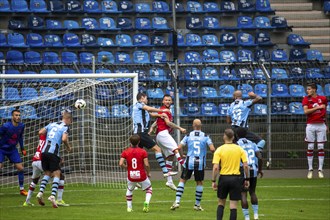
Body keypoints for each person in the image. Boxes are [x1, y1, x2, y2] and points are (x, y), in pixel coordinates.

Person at [170, 119, 215, 211]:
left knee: (182, 180)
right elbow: (212, 149)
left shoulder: (188, 135)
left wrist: (182, 155)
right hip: (200, 163)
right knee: (199, 182)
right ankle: (197, 205)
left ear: (193, 125)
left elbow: (178, 147)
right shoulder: (206, 136)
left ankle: (177, 201)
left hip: (189, 161)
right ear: (201, 125)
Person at [132, 92, 177, 179]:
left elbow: (151, 114)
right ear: (142, 98)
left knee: (139, 156)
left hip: (138, 134)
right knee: (157, 149)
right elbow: (148, 108)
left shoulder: (140, 109)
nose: (147, 100)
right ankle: (165, 171)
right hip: (141, 133)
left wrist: (160, 115)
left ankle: (136, 177)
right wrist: (162, 110)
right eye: (146, 98)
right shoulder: (139, 104)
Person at [149, 94, 187, 190]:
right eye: (166, 100)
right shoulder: (165, 110)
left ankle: (169, 181)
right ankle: (185, 167)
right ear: (163, 101)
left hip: (160, 135)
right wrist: (180, 128)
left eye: (169, 100)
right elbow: (168, 123)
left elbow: (156, 121)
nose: (168, 102)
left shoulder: (164, 110)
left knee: (170, 156)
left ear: (172, 102)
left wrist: (152, 128)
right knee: (176, 149)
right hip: (163, 134)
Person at [36, 111, 72, 208]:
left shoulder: (51, 124)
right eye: (70, 121)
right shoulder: (65, 127)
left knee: (47, 173)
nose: (70, 123)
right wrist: (68, 147)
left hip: (43, 152)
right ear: (67, 119)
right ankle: (52, 196)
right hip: (53, 152)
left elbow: (40, 132)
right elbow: (64, 139)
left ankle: (40, 193)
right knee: (57, 174)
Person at [212, 128, 249, 220]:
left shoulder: (219, 149)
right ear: (233, 137)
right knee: (233, 206)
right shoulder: (240, 149)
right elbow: (245, 166)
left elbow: (216, 167)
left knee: (221, 203)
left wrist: (213, 180)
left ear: (224, 137)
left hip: (224, 178)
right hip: (236, 179)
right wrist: (247, 179)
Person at [23, 134, 69, 207]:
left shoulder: (42, 137)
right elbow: (50, 150)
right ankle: (58, 199)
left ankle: (27, 201)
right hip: (42, 160)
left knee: (35, 180)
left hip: (35, 160)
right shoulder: (50, 139)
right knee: (59, 176)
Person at [119, 134, 152, 213]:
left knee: (130, 190)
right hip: (141, 175)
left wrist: (127, 167)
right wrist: (148, 173)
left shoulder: (125, 152)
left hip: (131, 175)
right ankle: (146, 202)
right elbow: (146, 165)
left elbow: (120, 163)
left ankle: (129, 208)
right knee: (149, 189)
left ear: (130, 142)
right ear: (139, 142)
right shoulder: (143, 151)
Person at [236, 127, 263, 220]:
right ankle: (256, 215)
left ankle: (247, 217)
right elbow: (259, 157)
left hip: (243, 170)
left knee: (243, 193)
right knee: (252, 192)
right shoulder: (252, 143)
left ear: (237, 135)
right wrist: (259, 169)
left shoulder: (237, 145)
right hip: (253, 170)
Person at [302, 83, 328, 179]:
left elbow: (324, 113)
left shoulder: (323, 99)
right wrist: (317, 107)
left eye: (309, 89)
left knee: (321, 146)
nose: (307, 91)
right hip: (311, 125)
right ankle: (310, 169)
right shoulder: (306, 99)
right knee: (310, 146)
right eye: (307, 89)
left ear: (314, 90)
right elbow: (305, 111)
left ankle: (320, 170)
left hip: (321, 124)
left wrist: (326, 125)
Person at [0, 109, 28, 196]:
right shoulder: (5, 126)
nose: (18, 117)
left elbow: (20, 137)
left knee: (20, 168)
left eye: (19, 115)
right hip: (2, 149)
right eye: (16, 115)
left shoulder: (21, 126)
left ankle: (22, 189)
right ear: (12, 116)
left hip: (12, 150)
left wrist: (22, 148)